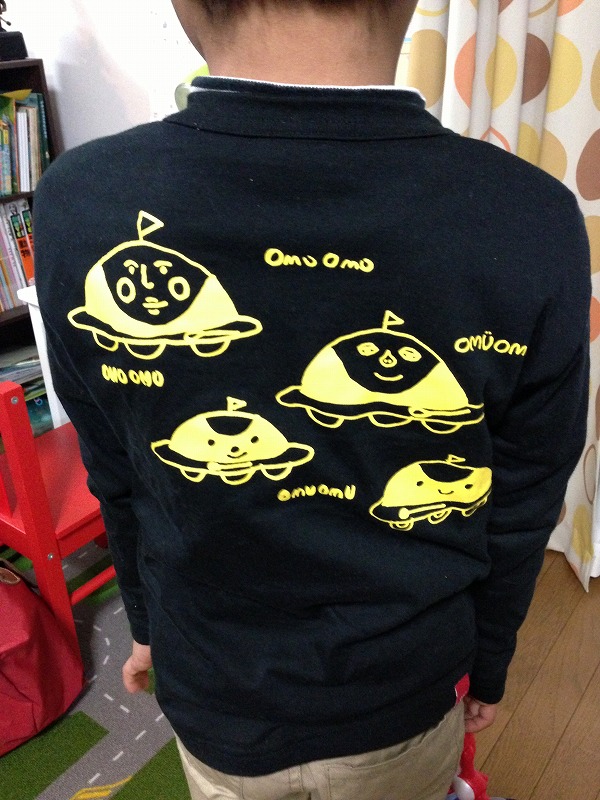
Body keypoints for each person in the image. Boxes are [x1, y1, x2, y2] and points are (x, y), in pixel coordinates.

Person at [33, 1, 591, 798]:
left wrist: (150, 624)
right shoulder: (529, 217)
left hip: (214, 682)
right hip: (405, 686)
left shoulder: (79, 198)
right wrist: (490, 660)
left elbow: (117, 468)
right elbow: (524, 496)